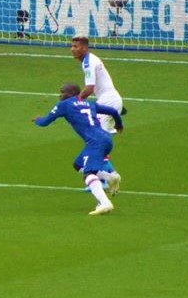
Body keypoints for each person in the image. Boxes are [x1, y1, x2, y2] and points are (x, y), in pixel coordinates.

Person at [33, 83, 123, 215]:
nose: (60, 95)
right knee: (78, 164)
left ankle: (105, 203)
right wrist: (119, 124)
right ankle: (110, 178)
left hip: (95, 142)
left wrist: (37, 119)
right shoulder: (89, 103)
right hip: (106, 138)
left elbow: (44, 122)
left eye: (62, 92)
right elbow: (113, 111)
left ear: (71, 93)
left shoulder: (64, 105)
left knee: (88, 174)